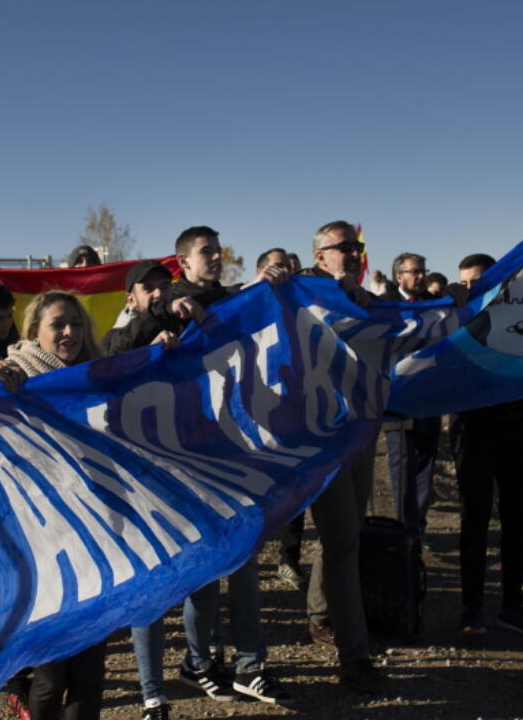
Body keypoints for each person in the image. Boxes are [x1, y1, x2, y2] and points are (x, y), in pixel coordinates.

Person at [102, 262, 282, 719]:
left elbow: (227, 305)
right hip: (143, 479)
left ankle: (197, 662)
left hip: (196, 469)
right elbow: (109, 355)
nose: (160, 295)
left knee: (203, 573)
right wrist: (153, 328)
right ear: (131, 297)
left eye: (166, 286)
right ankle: (151, 694)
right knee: (154, 583)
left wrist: (254, 286)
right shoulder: (125, 332)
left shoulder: (189, 320)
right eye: (150, 289)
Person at [157, 230, 295, 708]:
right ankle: (199, 660)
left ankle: (250, 664)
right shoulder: (171, 304)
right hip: (193, 456)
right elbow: (148, 322)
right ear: (182, 261)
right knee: (207, 569)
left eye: (219, 251)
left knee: (246, 562)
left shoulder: (233, 299)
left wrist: (268, 283)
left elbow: (250, 301)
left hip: (240, 449)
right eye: (205, 253)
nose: (216, 258)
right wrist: (171, 312)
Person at [0, 292, 105, 720]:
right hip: (44, 547)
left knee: (90, 676)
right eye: (58, 324)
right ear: (34, 331)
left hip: (97, 541)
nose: (69, 332)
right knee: (51, 677)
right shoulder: (13, 377)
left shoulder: (94, 378)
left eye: (76, 323)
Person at [453, 254, 523, 638]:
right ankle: (471, 608)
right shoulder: (455, 320)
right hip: (474, 433)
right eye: (466, 282)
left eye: (480, 281)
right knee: (474, 520)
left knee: (516, 520)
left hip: (519, 431)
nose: (473, 288)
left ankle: (512, 606)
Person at [299, 220, 388, 694]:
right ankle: (355, 656)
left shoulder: (366, 300)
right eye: (342, 248)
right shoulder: (306, 298)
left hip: (363, 433)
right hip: (324, 442)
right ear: (320, 257)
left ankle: (318, 614)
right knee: (342, 544)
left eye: (357, 247)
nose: (353, 254)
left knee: (344, 537)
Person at [256, 248, 309, 589]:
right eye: (278, 267)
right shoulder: (246, 303)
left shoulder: (303, 303)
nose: (287, 272)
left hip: (300, 409)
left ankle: (289, 558)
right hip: (255, 415)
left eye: (291, 267)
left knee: (297, 486)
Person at [380, 253, 442, 534]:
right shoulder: (387, 308)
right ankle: (405, 526)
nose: (420, 276)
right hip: (398, 399)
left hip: (429, 398)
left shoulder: (435, 307)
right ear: (399, 276)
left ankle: (418, 524)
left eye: (422, 271)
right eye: (414, 272)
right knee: (402, 466)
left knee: (426, 466)